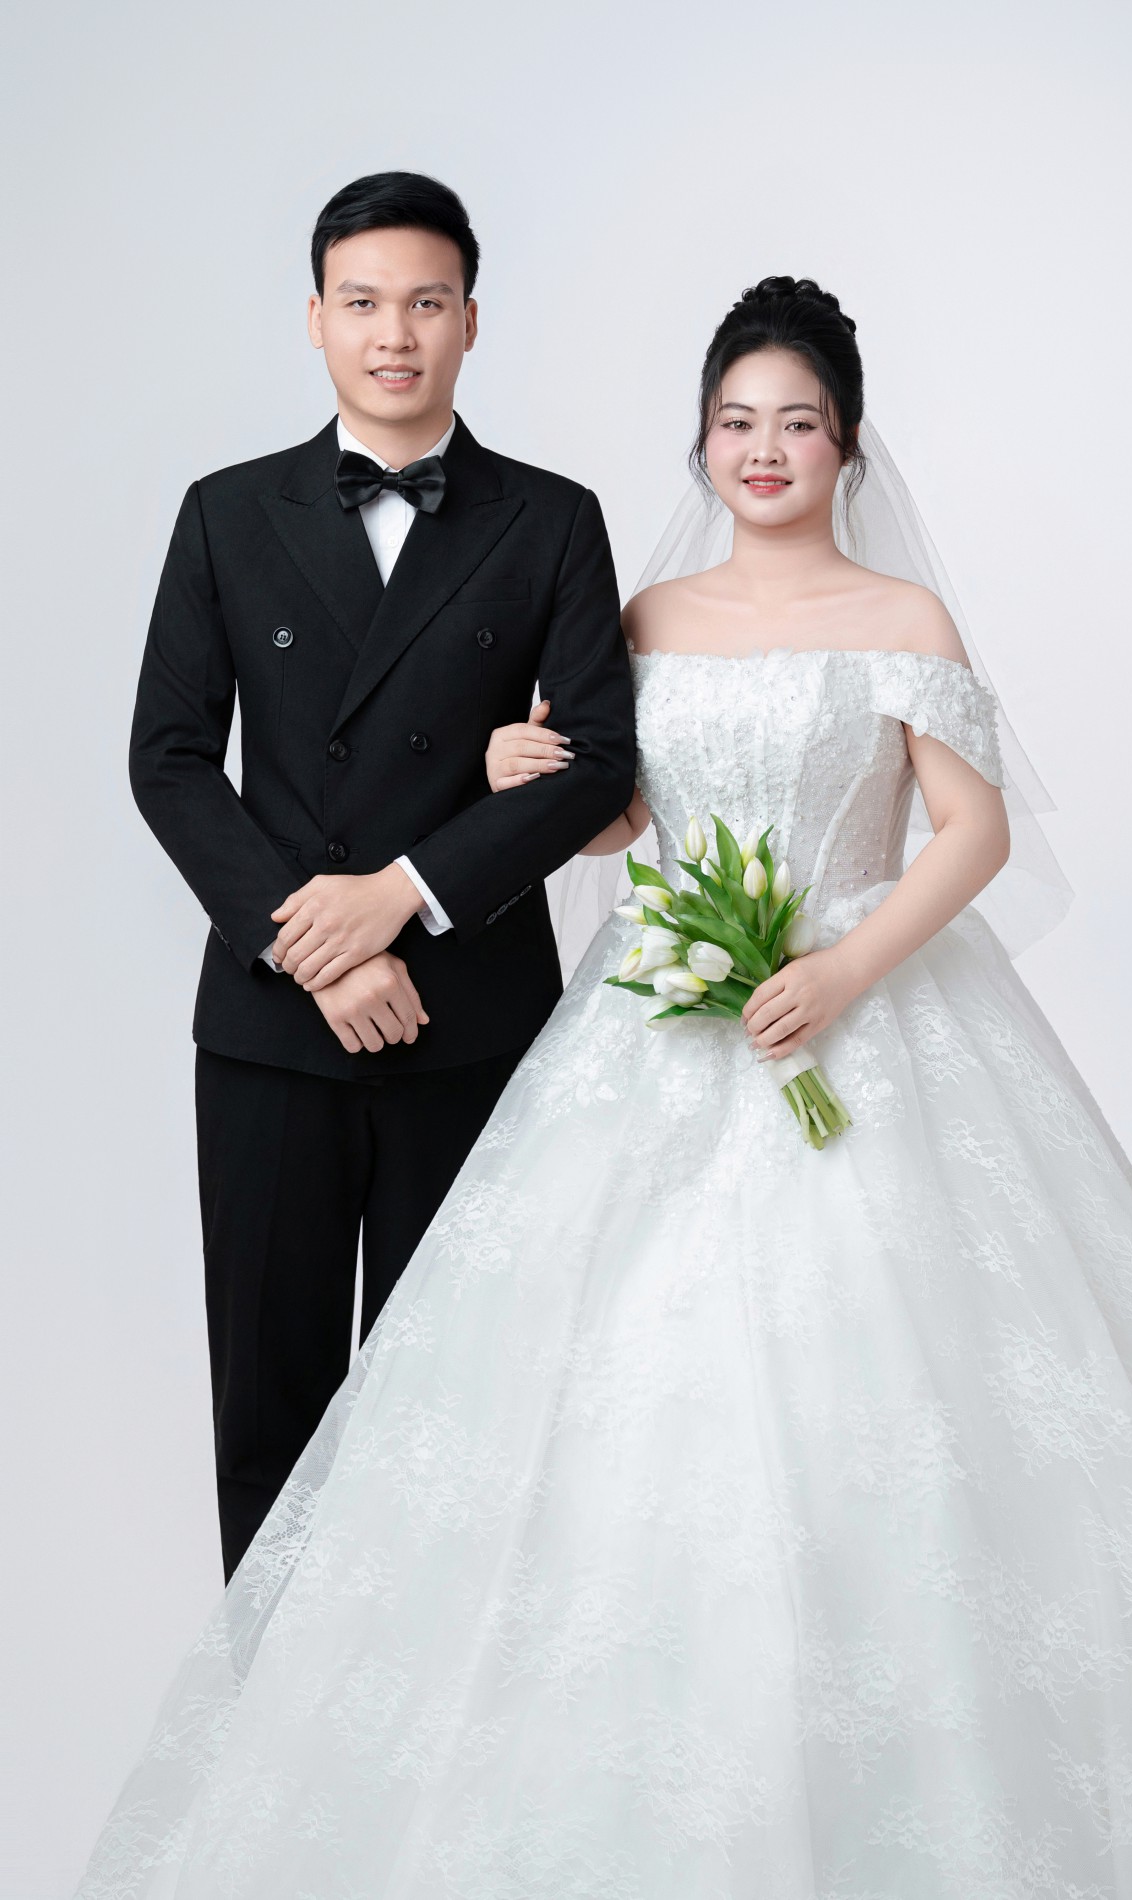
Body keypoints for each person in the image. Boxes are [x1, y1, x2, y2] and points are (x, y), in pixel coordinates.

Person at [81, 278, 1132, 1896]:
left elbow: (974, 833)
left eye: (798, 423)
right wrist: (519, 774)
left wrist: (845, 969)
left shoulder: (904, 619)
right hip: (660, 1018)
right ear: (701, 442)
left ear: (848, 444)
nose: (764, 449)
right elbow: (619, 814)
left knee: (888, 1400)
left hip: (858, 1012)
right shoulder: (643, 615)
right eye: (736, 422)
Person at [127, 170, 637, 1583]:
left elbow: (597, 762)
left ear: (471, 318)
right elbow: (169, 760)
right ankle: (265, 1715)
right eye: (363, 303)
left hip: (468, 1021)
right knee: (269, 1407)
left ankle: (428, 1726)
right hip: (273, 1026)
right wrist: (321, 949)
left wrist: (402, 891)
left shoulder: (551, 519)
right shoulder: (229, 512)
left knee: (459, 1409)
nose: (394, 334)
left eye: (425, 302)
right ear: (316, 318)